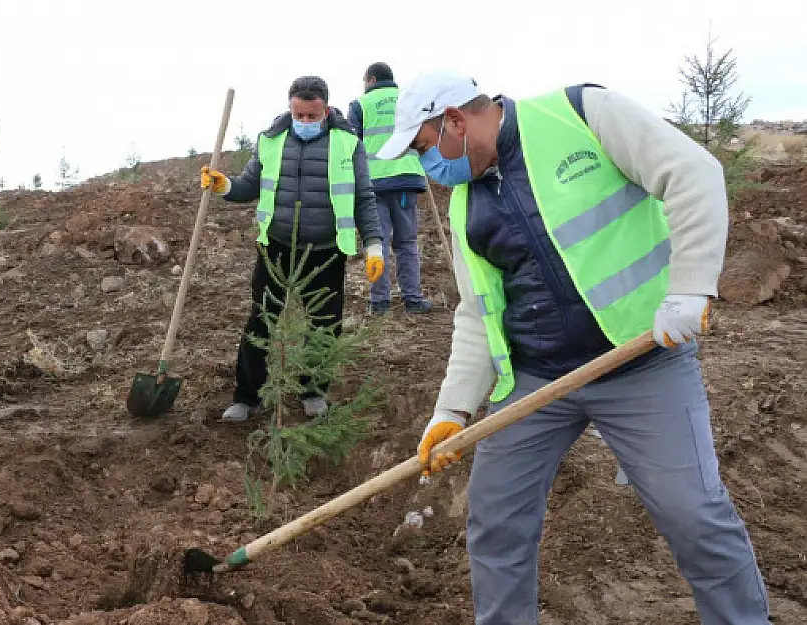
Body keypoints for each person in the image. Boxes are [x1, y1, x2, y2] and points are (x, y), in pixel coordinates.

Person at [378, 71, 770, 624]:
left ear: (455, 121)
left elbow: (693, 173)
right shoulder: (464, 204)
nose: (428, 168)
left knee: (695, 515)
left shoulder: (582, 114)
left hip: (640, 362)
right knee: (496, 521)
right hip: (537, 380)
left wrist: (689, 287)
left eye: (424, 148)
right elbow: (476, 314)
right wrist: (452, 409)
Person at [201, 76, 385, 423]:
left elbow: (364, 198)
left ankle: (313, 391)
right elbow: (249, 185)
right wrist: (224, 186)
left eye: (311, 116)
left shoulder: (348, 143)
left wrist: (374, 245)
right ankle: (247, 397)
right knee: (260, 321)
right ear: (290, 108)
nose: (304, 122)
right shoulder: (270, 141)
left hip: (327, 251)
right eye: (298, 115)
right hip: (276, 248)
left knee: (325, 325)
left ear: (325, 110)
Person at [347, 62, 432, 314]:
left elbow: (353, 144)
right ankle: (413, 300)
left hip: (373, 184)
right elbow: (423, 135)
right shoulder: (407, 100)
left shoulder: (359, 105)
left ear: (371, 79)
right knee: (406, 243)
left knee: (377, 242)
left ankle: (380, 302)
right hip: (406, 179)